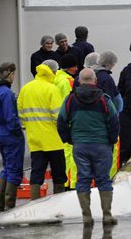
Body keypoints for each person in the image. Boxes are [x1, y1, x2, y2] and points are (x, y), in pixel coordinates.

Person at [57, 68, 119, 226]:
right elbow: (114, 121)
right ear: (95, 81)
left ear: (79, 81)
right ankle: (106, 215)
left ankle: (86, 217)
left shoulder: (70, 99)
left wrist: (70, 139)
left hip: (80, 146)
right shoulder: (104, 99)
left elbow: (61, 122)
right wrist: (111, 140)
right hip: (102, 145)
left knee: (83, 180)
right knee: (104, 180)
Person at [17, 63, 67, 199]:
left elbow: (20, 113)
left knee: (36, 173)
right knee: (59, 175)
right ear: (52, 72)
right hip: (54, 140)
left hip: (34, 139)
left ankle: (35, 201)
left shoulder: (26, 88)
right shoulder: (52, 89)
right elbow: (58, 116)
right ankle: (58, 201)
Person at [0, 62, 24, 211]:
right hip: (10, 135)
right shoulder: (7, 93)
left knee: (7, 167)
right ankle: (10, 206)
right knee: (14, 169)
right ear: (10, 74)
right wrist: (17, 131)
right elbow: (11, 118)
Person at [53, 54, 78, 190]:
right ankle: (71, 183)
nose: (77, 68)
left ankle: (65, 181)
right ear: (70, 67)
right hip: (68, 122)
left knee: (63, 153)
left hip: (57, 122)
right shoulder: (68, 81)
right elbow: (71, 102)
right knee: (71, 155)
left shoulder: (55, 78)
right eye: (75, 66)